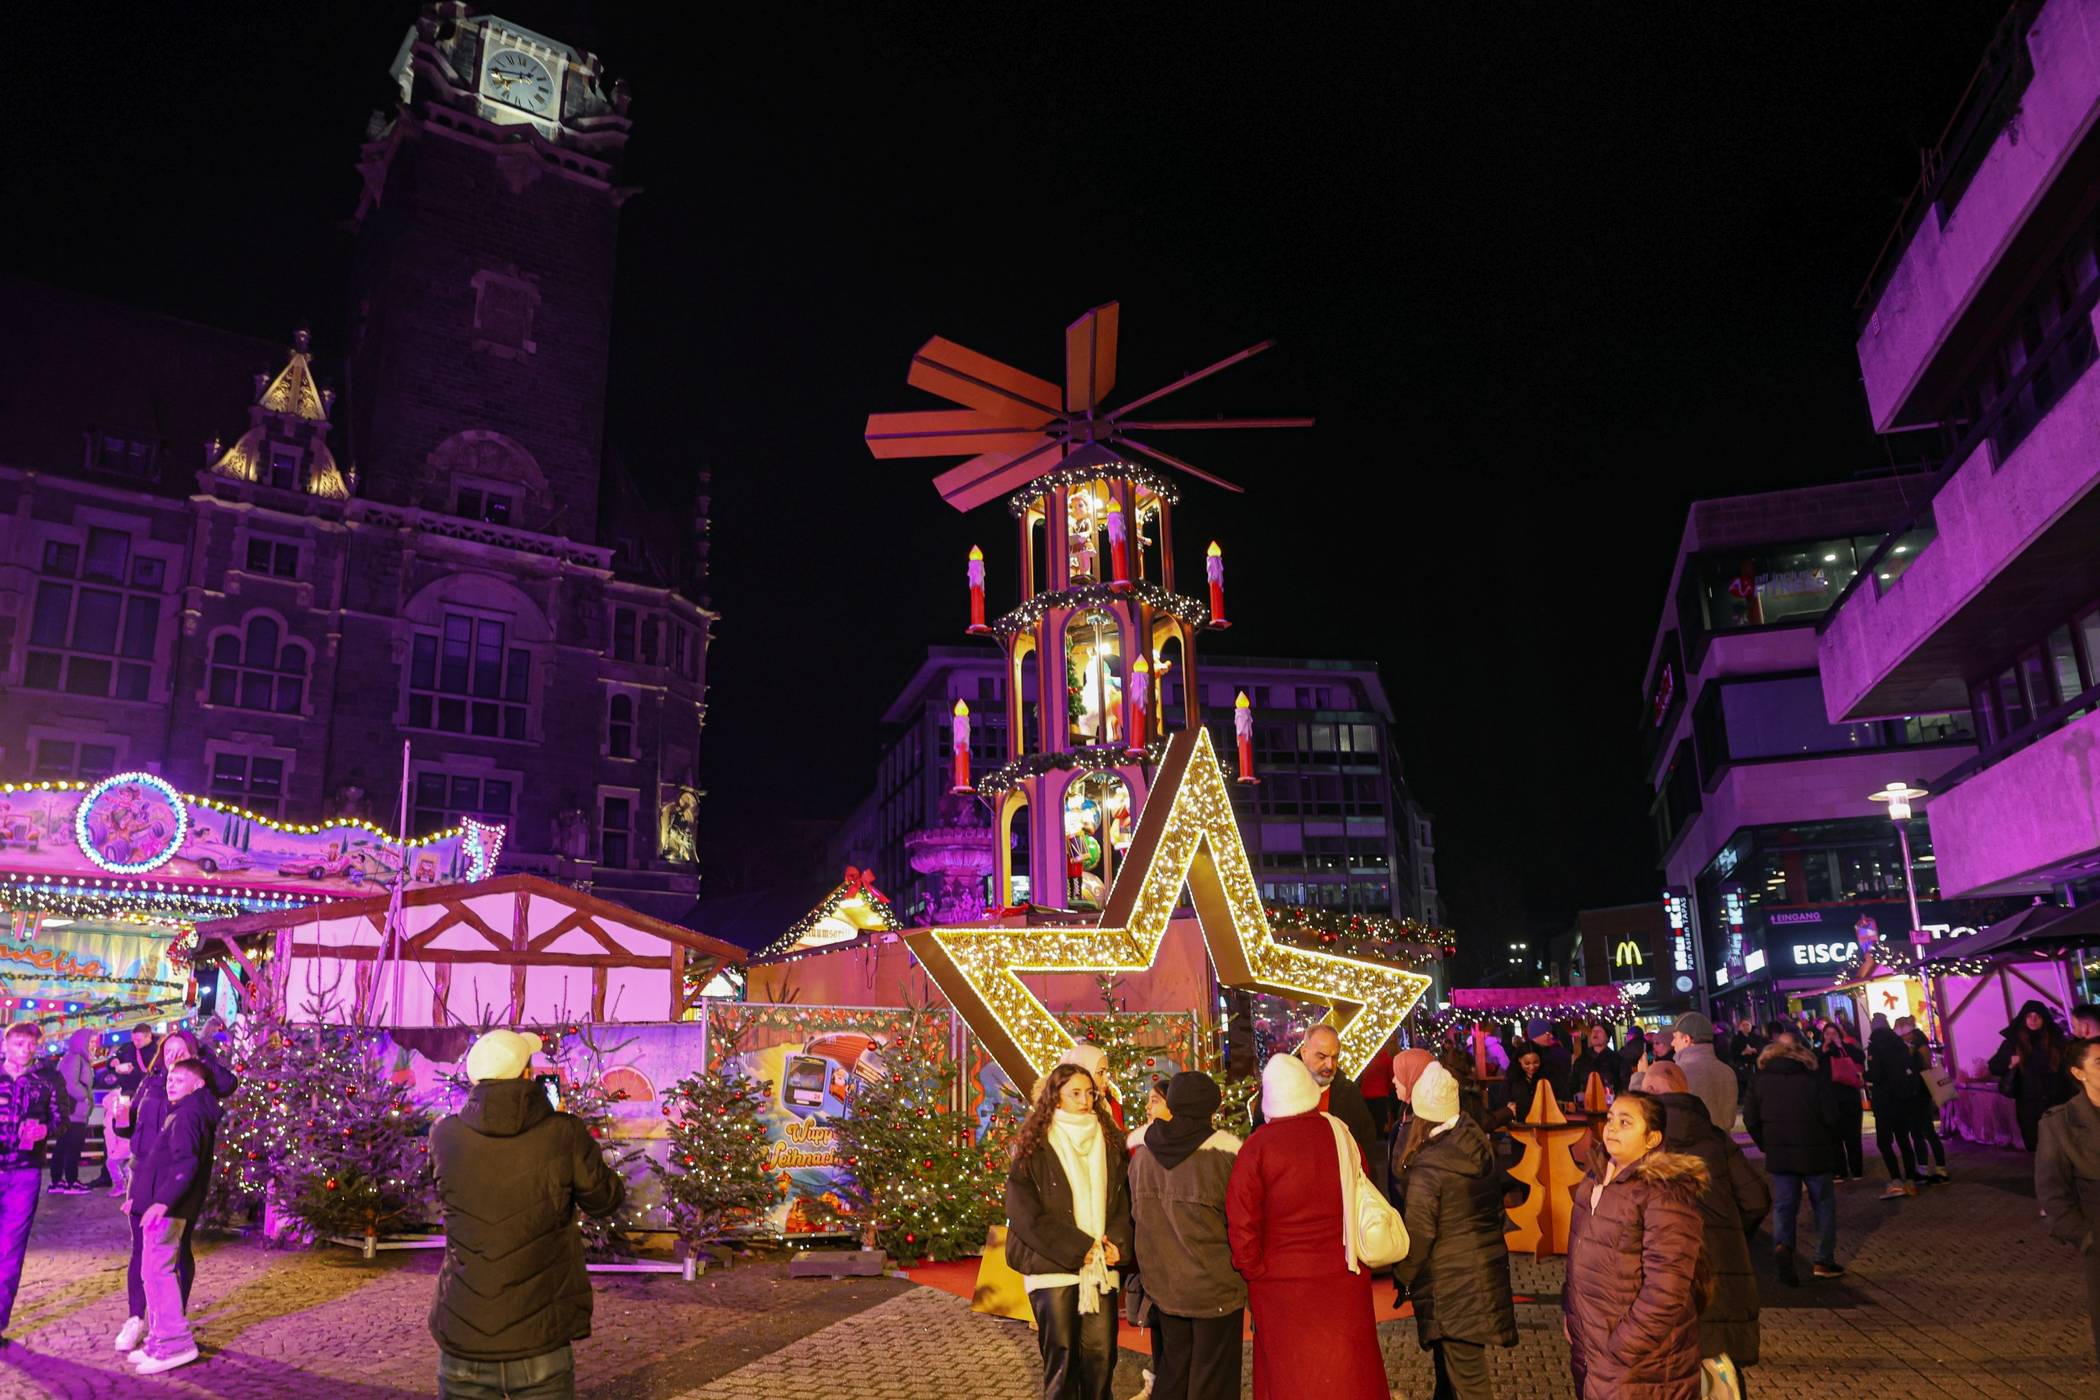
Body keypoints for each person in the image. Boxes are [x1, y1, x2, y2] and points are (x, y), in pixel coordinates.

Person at [429, 1029, 625, 1400]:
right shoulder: (562, 1133)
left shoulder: (444, 1136)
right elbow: (606, 1200)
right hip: (540, 1341)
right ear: (525, 1075)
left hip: (463, 1335)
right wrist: (572, 1138)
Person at [1227, 1053, 1386, 1399]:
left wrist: (1253, 1269)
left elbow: (1242, 1221)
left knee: (1290, 1374)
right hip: (1344, 1271)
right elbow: (1363, 1185)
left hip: (1281, 1283)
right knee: (1350, 1370)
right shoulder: (1340, 1133)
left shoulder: (1257, 1147)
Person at [1562, 1091, 1708, 1399]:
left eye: (1626, 1122)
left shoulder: (1664, 1193)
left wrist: (1623, 1346)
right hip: (1592, 1346)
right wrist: (1572, 1315)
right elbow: (1578, 1257)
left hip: (1640, 1363)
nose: (1612, 1128)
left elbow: (1666, 1289)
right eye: (1612, 1118)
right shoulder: (1596, 1177)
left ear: (1652, 1138)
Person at [1390, 1061, 1514, 1399]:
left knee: (1470, 1380)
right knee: (1457, 1372)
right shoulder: (1474, 1143)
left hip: (1452, 1283)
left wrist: (1402, 1274)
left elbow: (1419, 1232)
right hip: (1479, 1272)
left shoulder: (1431, 1166)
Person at [1008, 1061, 1130, 1400]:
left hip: (1099, 1270)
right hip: (1053, 1269)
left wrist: (1118, 1243)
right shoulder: (1036, 1145)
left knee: (1101, 1359)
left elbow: (1121, 1201)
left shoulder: (1108, 1141)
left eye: (1089, 1092)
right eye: (1075, 1093)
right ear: (1056, 1098)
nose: (1085, 1100)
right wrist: (1079, 1246)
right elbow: (1024, 1214)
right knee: (1063, 1362)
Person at [114, 1028, 237, 1356]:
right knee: (141, 1249)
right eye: (168, 1050)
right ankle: (137, 1318)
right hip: (143, 1171)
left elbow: (228, 1084)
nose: (172, 1056)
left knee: (175, 1248)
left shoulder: (200, 1087)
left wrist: (204, 1056)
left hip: (178, 1177)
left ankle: (170, 1323)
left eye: (180, 1050)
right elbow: (130, 1126)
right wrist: (120, 1120)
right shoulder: (153, 1081)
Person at [1645, 1061, 1768, 1386]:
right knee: (1720, 1362)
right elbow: (1756, 1199)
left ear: (1652, 1092)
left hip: (1664, 1271)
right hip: (1721, 1267)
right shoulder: (1717, 1139)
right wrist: (1729, 1233)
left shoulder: (1645, 1145)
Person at [1128, 1072, 1242, 1400]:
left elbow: (1136, 1216)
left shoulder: (1143, 1154)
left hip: (1164, 1285)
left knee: (1174, 1372)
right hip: (1215, 1287)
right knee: (1213, 1379)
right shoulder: (1225, 1156)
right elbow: (1240, 1221)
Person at [124, 1059, 215, 1375]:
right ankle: (159, 1339)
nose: (171, 1083)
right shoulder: (182, 1111)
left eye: (180, 1079)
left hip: (171, 1208)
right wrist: (140, 1198)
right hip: (161, 1203)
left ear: (198, 1084)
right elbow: (161, 1162)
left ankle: (175, 1343)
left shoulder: (189, 1114)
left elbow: (184, 1164)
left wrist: (162, 1201)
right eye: (170, 1078)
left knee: (158, 1273)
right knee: (151, 1272)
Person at [1742, 1032, 1845, 1285]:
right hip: (1815, 1150)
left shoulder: (1760, 1080)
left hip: (1781, 1152)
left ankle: (1783, 1246)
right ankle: (1823, 1260)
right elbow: (1832, 1116)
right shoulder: (1813, 1078)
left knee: (1784, 1205)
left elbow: (1750, 1118)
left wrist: (1766, 1144)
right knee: (1823, 1205)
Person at [2038, 1036, 2100, 1367]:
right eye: (2099, 1063)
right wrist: (2087, 1237)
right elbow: (2052, 1191)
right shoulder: (2060, 1123)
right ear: (2079, 1073)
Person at [1252, 1025, 1380, 1185]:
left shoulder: (1348, 1093)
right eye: (1322, 1056)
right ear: (1304, 1053)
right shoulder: (1279, 1087)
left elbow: (1365, 1144)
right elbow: (1259, 1135)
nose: (1329, 1065)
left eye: (1335, 1057)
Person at [0, 1024, 55, 1344]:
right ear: (6, 1044)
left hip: (24, 1174)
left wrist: (45, 1130)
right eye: (19, 1043)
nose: (25, 1049)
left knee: (10, 1249)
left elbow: (59, 1121)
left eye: (30, 1045)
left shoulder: (44, 1083)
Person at [1989, 999, 2076, 1152]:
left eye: (2038, 1016)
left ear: (2044, 1019)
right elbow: (1994, 1066)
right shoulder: (2014, 1042)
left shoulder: (2056, 1041)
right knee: (2037, 1147)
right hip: (2029, 1104)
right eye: (2029, 1016)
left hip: (2058, 1102)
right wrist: (2010, 1063)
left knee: (2062, 1148)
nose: (2033, 1020)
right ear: (2024, 1018)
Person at [1865, 1013, 1924, 1198]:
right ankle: (1910, 1179)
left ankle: (1896, 1179)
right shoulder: (1899, 1044)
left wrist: (1863, 1075)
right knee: (1904, 1140)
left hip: (1884, 1101)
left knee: (1884, 1142)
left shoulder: (1875, 1046)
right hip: (1903, 1099)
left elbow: (1876, 1075)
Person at [1896, 1017, 1948, 1183]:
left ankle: (1940, 1170)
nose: (1904, 1036)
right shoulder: (1906, 1045)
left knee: (1927, 1132)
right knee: (1918, 1133)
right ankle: (1924, 1170)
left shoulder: (1919, 1044)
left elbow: (1923, 1066)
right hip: (1913, 1094)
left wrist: (1910, 1055)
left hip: (1921, 1094)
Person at [1667, 1012, 1737, 1132]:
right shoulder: (1727, 1071)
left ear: (1686, 1039)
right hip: (1723, 1143)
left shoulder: (1679, 1072)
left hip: (1690, 1146)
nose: (1672, 1043)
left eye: (1675, 1037)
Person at [1818, 1019, 1866, 1182]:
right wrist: (1823, 1053)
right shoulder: (1819, 1052)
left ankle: (1856, 1169)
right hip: (1830, 1100)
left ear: (1839, 1034)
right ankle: (1839, 1170)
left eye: (1833, 1033)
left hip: (1849, 1098)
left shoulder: (1848, 1048)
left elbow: (1860, 1058)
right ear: (1823, 1036)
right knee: (1834, 1137)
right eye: (1827, 1034)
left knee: (1852, 1135)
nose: (1830, 1036)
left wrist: (1841, 1046)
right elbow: (1814, 1071)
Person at [46, 1028, 92, 1194]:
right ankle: (72, 1181)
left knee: (63, 1146)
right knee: (73, 1146)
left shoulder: (72, 1057)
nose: (93, 1045)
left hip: (70, 1110)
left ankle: (57, 1181)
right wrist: (85, 1096)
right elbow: (70, 1084)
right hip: (74, 1111)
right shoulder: (75, 1058)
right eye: (91, 1041)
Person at [1489, 1046, 1552, 1131]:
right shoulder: (1512, 1078)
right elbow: (1503, 1099)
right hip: (1520, 1125)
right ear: (1519, 1060)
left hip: (1543, 1124)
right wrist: (1510, 1105)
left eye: (1536, 1062)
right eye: (1527, 1063)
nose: (1532, 1067)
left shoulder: (1546, 1076)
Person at [1570, 1024, 1624, 1099]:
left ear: (1607, 1038)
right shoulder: (1582, 1060)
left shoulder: (1617, 1059)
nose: (1595, 1033)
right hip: (1586, 1104)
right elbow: (1573, 1082)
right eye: (1593, 1031)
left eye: (1599, 1031)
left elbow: (1624, 1083)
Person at [1523, 1019, 1571, 1101]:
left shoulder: (1555, 1053)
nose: (1551, 1036)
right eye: (1547, 1033)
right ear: (1537, 1035)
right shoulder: (1526, 1055)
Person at [1360, 1035, 1398, 1140]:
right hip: (1381, 1095)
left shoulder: (1367, 1059)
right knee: (1379, 1123)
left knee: (1369, 1122)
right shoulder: (1387, 1059)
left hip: (1365, 1095)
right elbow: (1392, 1079)